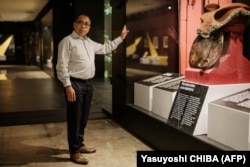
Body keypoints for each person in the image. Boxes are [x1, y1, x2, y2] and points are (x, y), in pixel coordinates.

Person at [56, 14, 129, 165]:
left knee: (84, 117)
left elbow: (106, 48)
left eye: (87, 24)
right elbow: (61, 66)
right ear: (74, 24)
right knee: (74, 118)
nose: (83, 26)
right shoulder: (67, 41)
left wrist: (120, 38)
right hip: (75, 84)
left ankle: (80, 144)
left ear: (89, 27)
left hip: (88, 84)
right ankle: (74, 151)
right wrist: (67, 85)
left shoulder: (89, 42)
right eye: (80, 23)